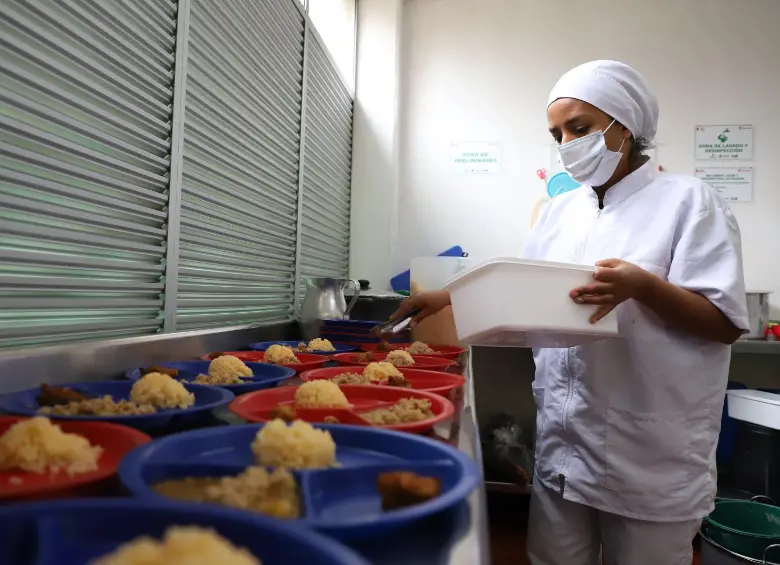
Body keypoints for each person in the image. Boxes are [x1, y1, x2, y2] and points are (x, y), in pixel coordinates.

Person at [391, 60, 749, 565]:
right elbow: (521, 288)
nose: (567, 144)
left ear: (625, 126)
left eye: (579, 128)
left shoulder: (690, 202)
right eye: (557, 134)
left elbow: (724, 323)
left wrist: (644, 286)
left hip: (650, 450)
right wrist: (447, 296)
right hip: (565, 442)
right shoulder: (562, 211)